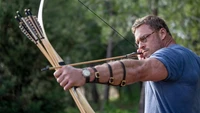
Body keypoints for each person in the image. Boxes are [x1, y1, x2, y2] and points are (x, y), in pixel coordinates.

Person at [54, 15, 200, 113]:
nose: (140, 47)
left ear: (162, 33)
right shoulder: (190, 58)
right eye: (137, 43)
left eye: (144, 39)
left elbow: (139, 70)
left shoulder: (172, 54)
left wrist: (84, 74)